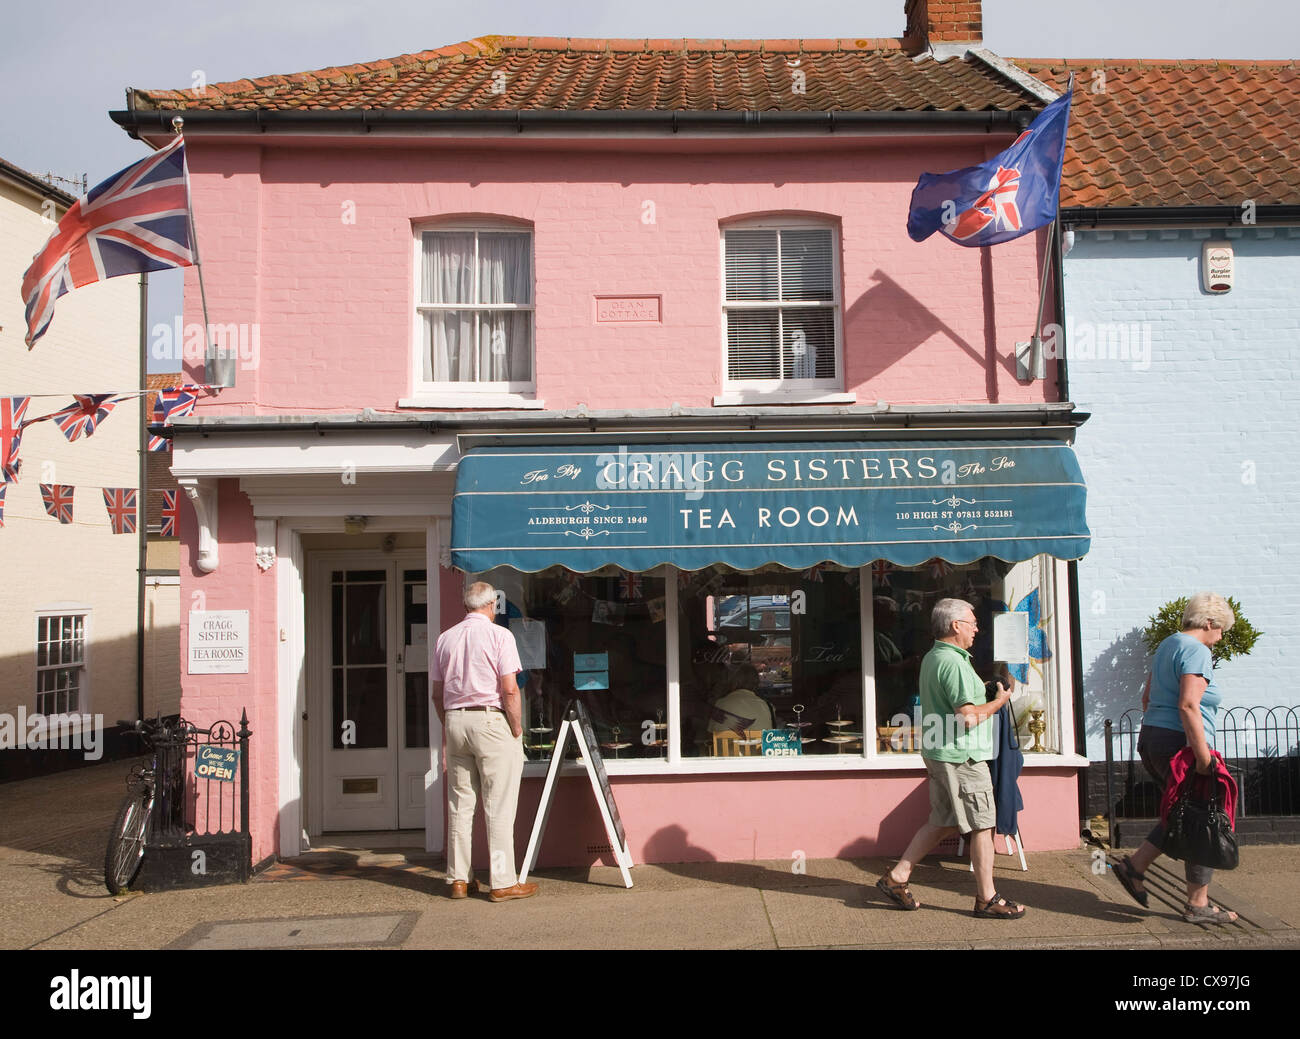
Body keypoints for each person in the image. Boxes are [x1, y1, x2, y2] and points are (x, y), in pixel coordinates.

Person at [875, 598, 1025, 918]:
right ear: (956, 625)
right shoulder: (954, 663)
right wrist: (1000, 700)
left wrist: (981, 689)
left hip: (939, 751)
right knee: (983, 825)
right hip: (962, 756)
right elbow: (968, 718)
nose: (976, 628)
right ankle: (987, 898)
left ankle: (897, 877)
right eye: (972, 622)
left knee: (942, 820)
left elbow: (952, 702)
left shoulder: (934, 657)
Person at [1112, 593, 1239, 923]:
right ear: (1209, 623)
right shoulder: (1197, 650)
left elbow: (1146, 697)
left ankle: (1134, 866)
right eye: (1222, 629)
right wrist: (1201, 757)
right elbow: (1188, 705)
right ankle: (1197, 905)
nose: (1221, 637)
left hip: (1153, 738)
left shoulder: (1168, 644)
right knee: (1203, 817)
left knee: (1184, 813)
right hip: (1181, 745)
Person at [430, 581, 538, 903]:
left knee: (460, 806)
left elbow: (436, 694)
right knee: (499, 805)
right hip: (490, 720)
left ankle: (459, 880)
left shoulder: (444, 639)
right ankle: (502, 881)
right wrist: (516, 727)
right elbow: (509, 689)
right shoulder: (500, 635)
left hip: (455, 719)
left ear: (466, 606)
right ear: (491, 606)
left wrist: (450, 723)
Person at [706, 663, 773, 734]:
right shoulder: (765, 705)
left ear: (733, 681)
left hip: (725, 745)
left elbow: (711, 733)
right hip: (757, 744)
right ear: (756, 682)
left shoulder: (720, 703)